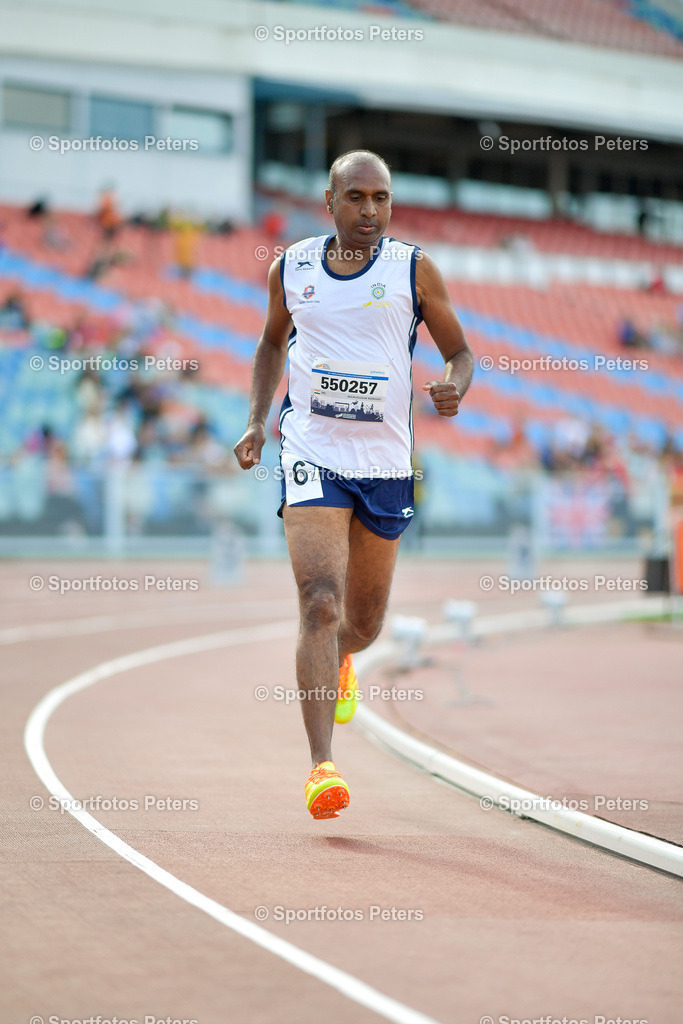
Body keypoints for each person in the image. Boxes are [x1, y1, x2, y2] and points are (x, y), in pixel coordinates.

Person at [234, 150, 473, 819]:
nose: (370, 211)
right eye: (357, 198)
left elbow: (460, 351)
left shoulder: (412, 269)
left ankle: (341, 658)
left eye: (381, 198)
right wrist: (256, 420)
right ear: (329, 200)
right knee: (318, 603)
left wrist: (454, 384)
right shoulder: (294, 267)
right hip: (311, 451)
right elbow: (271, 345)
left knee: (361, 625)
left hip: (385, 464)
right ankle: (321, 767)